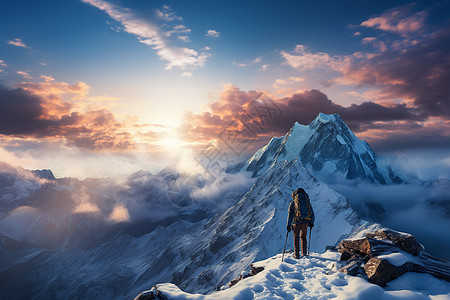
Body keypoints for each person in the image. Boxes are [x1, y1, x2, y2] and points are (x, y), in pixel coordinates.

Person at [286, 188, 315, 258]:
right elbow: (312, 213)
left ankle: (296, 254)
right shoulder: (307, 201)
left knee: (296, 237)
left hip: (296, 222)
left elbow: (290, 214)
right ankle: (304, 253)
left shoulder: (293, 202)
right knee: (303, 237)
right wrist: (312, 222)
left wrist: (288, 225)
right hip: (305, 222)